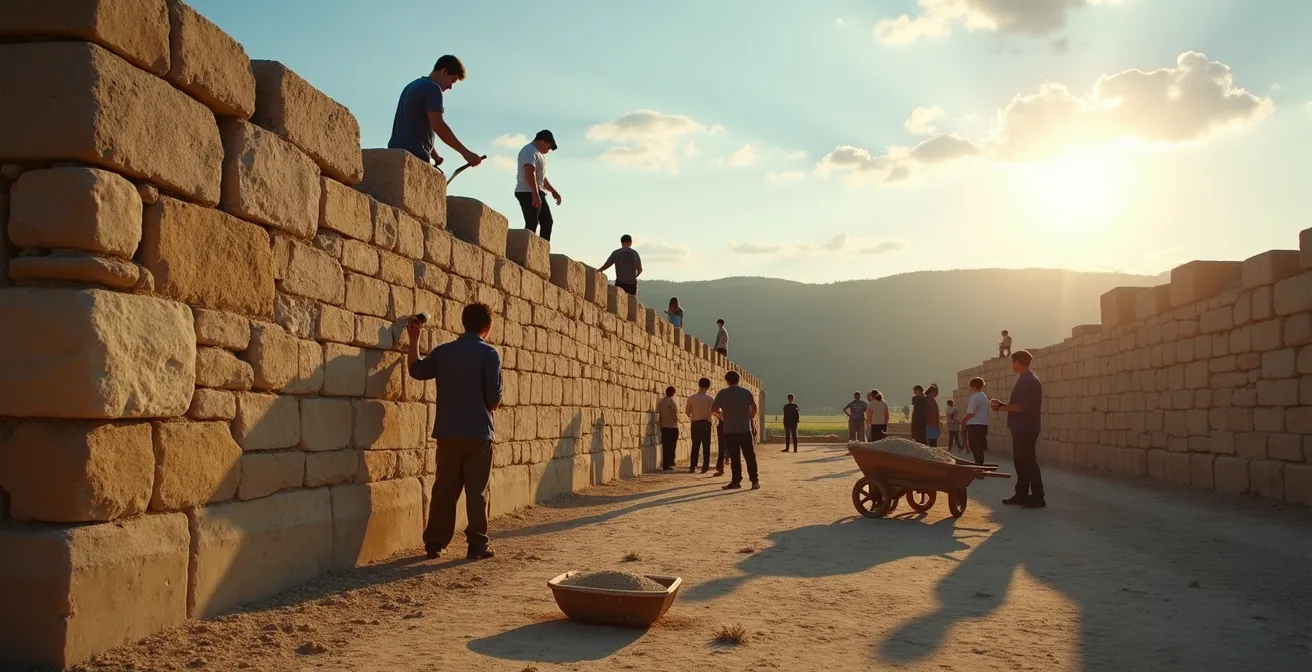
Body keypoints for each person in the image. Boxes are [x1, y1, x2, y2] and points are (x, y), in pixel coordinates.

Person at [406, 302, 500, 561]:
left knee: (445, 488)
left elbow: (416, 370)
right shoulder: (489, 355)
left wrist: (414, 339)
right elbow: (493, 399)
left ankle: (435, 543)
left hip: (448, 433)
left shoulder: (444, 352)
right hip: (479, 433)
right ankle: (476, 545)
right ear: (487, 327)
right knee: (477, 491)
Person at [387, 55, 483, 171]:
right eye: (452, 80)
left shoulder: (412, 86)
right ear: (444, 71)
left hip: (396, 153)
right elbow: (438, 125)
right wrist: (466, 153)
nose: (450, 87)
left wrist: (434, 155)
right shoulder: (433, 88)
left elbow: (413, 127)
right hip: (414, 157)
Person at [991, 350, 1045, 508]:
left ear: (1018, 362)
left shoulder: (1028, 381)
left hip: (1025, 428)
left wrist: (1001, 407)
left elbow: (1021, 407)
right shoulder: (1024, 379)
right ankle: (1021, 494)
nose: (1011, 365)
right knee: (1020, 463)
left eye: (1012, 362)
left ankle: (1038, 496)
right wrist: (1002, 406)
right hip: (1020, 428)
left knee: (1028, 462)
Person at [711, 371, 759, 490]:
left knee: (734, 456)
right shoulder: (746, 392)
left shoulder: (722, 393)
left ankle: (736, 481)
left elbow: (714, 408)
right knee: (749, 456)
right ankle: (754, 481)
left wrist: (722, 416)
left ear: (726, 380)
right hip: (744, 428)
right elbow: (754, 407)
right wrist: (750, 417)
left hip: (729, 429)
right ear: (739, 380)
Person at [514, 130, 561, 241]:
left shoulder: (539, 155)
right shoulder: (529, 151)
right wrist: (535, 194)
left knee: (547, 221)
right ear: (543, 142)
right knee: (532, 223)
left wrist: (553, 191)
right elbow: (530, 173)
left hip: (538, 191)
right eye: (548, 147)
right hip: (527, 191)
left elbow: (542, 178)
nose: (548, 151)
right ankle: (524, 251)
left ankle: (541, 251)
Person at [686, 378, 714, 472]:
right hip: (706, 423)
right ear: (708, 386)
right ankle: (705, 467)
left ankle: (692, 466)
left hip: (695, 423)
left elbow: (687, 412)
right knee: (706, 446)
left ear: (699, 385)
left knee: (695, 445)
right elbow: (714, 411)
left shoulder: (691, 398)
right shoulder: (710, 399)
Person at [961, 377, 989, 466]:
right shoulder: (984, 396)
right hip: (983, 424)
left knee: (974, 446)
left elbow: (971, 413)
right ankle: (979, 464)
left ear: (973, 387)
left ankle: (979, 466)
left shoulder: (975, 397)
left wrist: (963, 420)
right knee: (979, 447)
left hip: (975, 424)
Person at [657, 386, 679, 470]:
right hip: (672, 427)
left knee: (665, 446)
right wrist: (676, 421)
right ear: (673, 393)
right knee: (672, 446)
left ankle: (665, 464)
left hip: (664, 427)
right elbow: (675, 415)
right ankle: (671, 463)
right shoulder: (672, 401)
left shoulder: (661, 401)